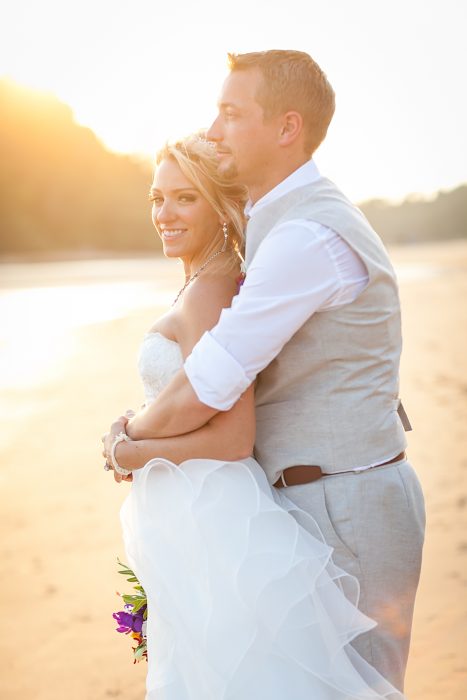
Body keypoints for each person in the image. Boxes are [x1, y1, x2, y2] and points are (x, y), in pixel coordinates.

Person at [119, 51, 426, 691]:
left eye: (231, 114)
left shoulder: (306, 235)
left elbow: (212, 380)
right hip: (302, 498)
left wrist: (129, 437)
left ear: (287, 128)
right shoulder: (272, 225)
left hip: (348, 499)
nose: (213, 129)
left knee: (358, 688)